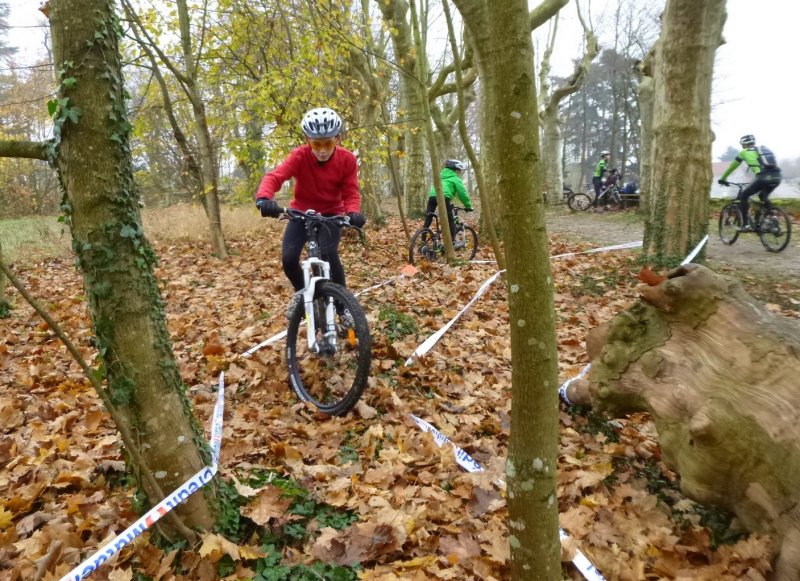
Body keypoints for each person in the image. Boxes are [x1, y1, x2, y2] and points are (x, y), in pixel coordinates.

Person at [254, 107, 366, 318]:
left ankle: (343, 309)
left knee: (328, 254)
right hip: (301, 213)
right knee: (288, 259)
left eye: (328, 143)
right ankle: (302, 293)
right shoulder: (299, 156)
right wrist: (264, 198)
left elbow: (351, 191)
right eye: (316, 144)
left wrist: (353, 213)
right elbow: (276, 176)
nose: (322, 150)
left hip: (331, 214)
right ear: (307, 140)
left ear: (338, 139)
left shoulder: (348, 159)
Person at [718, 134, 782, 231]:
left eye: (742, 144)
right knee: (762, 196)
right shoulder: (762, 150)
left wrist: (723, 178)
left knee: (744, 196)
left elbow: (732, 167)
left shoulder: (744, 152)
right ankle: (773, 218)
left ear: (744, 144)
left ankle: (746, 225)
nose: (742, 146)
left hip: (763, 177)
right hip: (777, 176)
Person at [423, 159, 473, 248]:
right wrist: (468, 205)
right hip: (443, 198)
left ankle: (422, 239)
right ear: (455, 169)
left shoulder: (439, 176)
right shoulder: (455, 178)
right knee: (450, 220)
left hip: (432, 197)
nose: (459, 172)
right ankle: (452, 242)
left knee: (429, 217)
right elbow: (462, 193)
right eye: (458, 170)